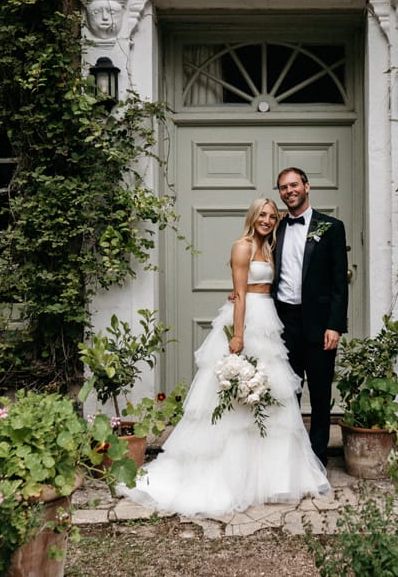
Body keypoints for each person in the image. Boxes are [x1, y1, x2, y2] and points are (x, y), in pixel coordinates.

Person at [120, 197, 330, 517]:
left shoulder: (270, 246)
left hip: (270, 320)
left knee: (267, 396)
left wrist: (285, 216)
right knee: (234, 399)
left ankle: (271, 477)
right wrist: (238, 334)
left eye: (273, 216)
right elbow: (242, 292)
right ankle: (227, 477)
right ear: (252, 216)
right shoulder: (242, 246)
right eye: (262, 214)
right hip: (246, 319)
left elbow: (270, 281)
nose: (268, 220)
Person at [273, 167, 349, 466]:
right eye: (283, 187)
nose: (289, 191)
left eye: (294, 185)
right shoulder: (275, 228)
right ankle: (289, 459)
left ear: (307, 186)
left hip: (319, 325)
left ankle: (317, 460)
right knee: (287, 392)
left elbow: (338, 282)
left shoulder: (331, 227)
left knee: (319, 395)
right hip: (283, 322)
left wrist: (335, 325)